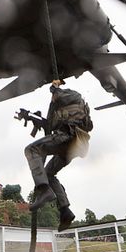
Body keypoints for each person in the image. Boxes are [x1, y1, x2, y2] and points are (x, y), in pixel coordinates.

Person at [23, 80, 93, 231]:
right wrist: (35, 120)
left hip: (68, 137)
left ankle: (43, 189)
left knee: (32, 150)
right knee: (48, 174)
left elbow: (60, 96)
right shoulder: (60, 108)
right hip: (71, 146)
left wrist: (54, 87)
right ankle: (65, 211)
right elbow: (50, 127)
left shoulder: (74, 95)